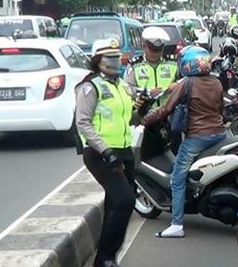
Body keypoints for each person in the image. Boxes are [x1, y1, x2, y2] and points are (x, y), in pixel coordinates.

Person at [141, 46, 226, 238]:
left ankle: (177, 224)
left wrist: (145, 120)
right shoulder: (216, 82)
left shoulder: (187, 83)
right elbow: (220, 108)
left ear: (187, 64)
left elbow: (166, 109)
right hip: (219, 134)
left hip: (197, 137)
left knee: (177, 179)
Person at [75, 39, 135, 267]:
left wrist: (143, 109)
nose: (114, 62)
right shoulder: (90, 87)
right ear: (97, 61)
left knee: (115, 204)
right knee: (125, 201)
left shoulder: (120, 85)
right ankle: (106, 258)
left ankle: (107, 256)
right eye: (109, 58)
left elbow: (125, 117)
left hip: (124, 150)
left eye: (117, 57)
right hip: (101, 154)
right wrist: (106, 150)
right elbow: (83, 122)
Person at [125, 27, 180, 156]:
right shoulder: (135, 65)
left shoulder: (173, 63)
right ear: (144, 46)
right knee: (147, 153)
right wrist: (148, 92)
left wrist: (176, 85)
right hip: (145, 116)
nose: (156, 53)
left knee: (174, 151)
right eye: (152, 50)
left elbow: (185, 81)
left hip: (169, 115)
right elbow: (127, 88)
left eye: (159, 50)